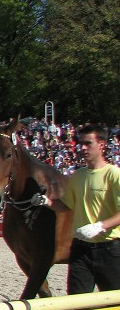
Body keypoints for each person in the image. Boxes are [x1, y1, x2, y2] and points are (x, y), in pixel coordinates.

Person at [49, 124, 120, 293]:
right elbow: (66, 205)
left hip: (109, 249)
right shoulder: (78, 176)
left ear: (101, 144)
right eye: (81, 143)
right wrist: (45, 201)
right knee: (76, 301)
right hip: (81, 249)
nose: (82, 148)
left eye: (88, 143)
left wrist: (100, 226)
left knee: (115, 303)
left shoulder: (114, 175)